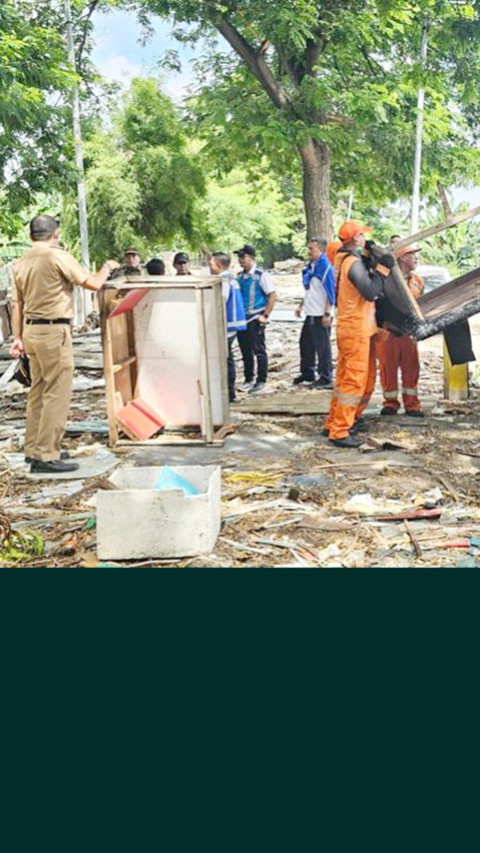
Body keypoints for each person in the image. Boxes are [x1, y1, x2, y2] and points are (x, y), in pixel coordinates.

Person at [10, 214, 120, 473]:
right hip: (54, 330)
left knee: (38, 391)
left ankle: (34, 448)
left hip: (31, 331)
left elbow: (17, 305)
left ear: (30, 235)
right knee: (57, 393)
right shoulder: (57, 256)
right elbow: (93, 283)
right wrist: (107, 267)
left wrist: (17, 337)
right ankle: (46, 455)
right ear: (55, 234)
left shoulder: (20, 262)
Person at [324, 220, 394, 448]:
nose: (364, 238)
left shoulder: (345, 259)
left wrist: (367, 254)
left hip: (355, 329)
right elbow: (371, 291)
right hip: (356, 331)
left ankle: (337, 421)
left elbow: (361, 275)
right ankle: (340, 431)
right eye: (362, 236)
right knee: (353, 381)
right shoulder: (352, 263)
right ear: (354, 239)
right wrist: (383, 269)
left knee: (351, 379)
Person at [378, 243, 425, 417]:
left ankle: (412, 405)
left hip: (409, 334)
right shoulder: (387, 279)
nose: (416, 258)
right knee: (387, 370)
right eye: (413, 255)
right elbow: (378, 306)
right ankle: (390, 404)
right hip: (388, 332)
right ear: (403, 258)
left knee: (411, 369)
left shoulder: (418, 281)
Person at [294, 237, 335, 389]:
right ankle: (307, 371)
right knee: (306, 343)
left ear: (321, 250)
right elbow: (310, 290)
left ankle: (325, 376)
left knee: (322, 346)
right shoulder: (312, 267)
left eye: (312, 249)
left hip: (320, 312)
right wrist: (301, 306)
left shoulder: (325, 268)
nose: (309, 252)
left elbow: (330, 292)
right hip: (311, 310)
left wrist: (327, 313)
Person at [235, 244, 276, 395]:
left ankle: (261, 380)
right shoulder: (240, 276)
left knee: (259, 350)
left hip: (256, 317)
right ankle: (248, 378)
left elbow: (272, 295)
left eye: (243, 257)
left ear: (251, 258)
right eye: (239, 257)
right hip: (242, 319)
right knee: (245, 351)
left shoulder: (261, 275)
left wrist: (265, 315)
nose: (240, 260)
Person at [208, 252, 247, 403]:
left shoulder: (224, 281)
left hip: (227, 324)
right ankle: (229, 392)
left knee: (225, 358)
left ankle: (228, 393)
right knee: (228, 357)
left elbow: (221, 300)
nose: (210, 267)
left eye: (211, 264)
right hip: (233, 324)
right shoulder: (232, 279)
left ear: (218, 265)